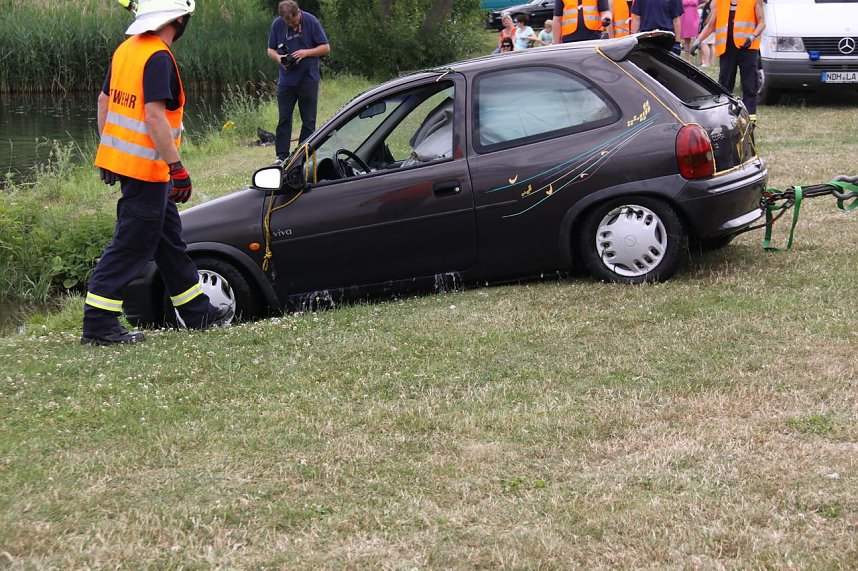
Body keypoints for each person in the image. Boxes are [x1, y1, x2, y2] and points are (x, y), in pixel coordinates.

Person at [87, 0, 233, 346]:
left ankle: (197, 312)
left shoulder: (127, 50)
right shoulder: (158, 57)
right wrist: (177, 168)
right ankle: (98, 323)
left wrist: (108, 154)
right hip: (147, 171)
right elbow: (153, 116)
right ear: (180, 20)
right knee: (131, 244)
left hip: (134, 169)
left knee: (169, 243)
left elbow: (103, 102)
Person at [267, 0, 330, 163]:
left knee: (308, 120)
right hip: (286, 81)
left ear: (298, 13)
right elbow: (270, 49)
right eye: (288, 22)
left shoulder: (311, 21)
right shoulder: (277, 24)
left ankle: (302, 155)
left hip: (308, 79)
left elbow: (326, 48)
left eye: (294, 21)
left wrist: (306, 53)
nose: (292, 25)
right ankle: (281, 156)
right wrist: (279, 58)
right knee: (284, 119)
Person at [693, 0, 765, 121]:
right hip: (727, 49)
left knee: (750, 85)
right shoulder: (720, 2)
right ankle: (724, 117)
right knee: (724, 86)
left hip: (748, 48)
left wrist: (752, 36)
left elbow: (762, 23)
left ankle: (750, 119)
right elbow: (711, 25)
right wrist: (698, 40)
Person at [697, 0, 715, 66]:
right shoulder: (710, 2)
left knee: (703, 42)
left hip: (710, 25)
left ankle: (706, 62)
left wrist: (707, 21)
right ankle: (711, 62)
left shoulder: (714, 1)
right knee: (710, 44)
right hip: (712, 26)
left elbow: (713, 11)